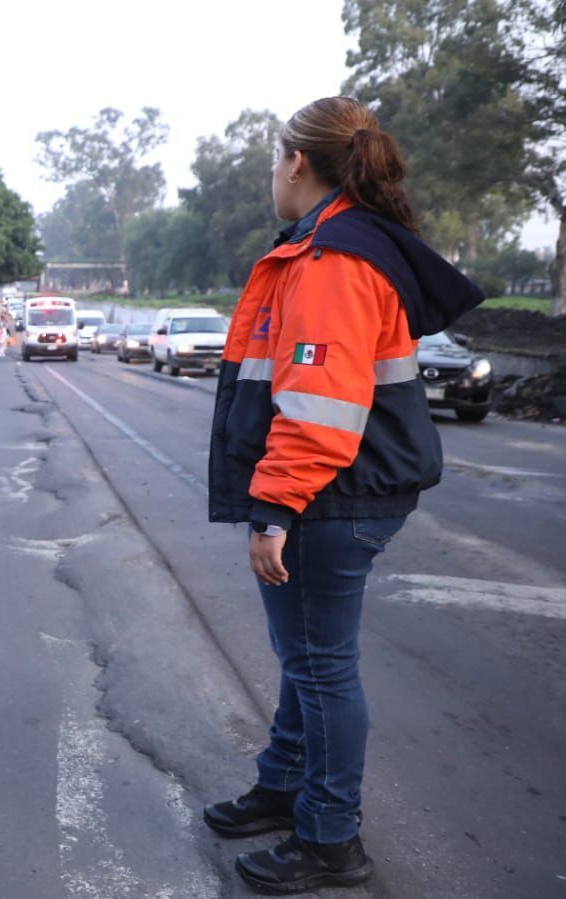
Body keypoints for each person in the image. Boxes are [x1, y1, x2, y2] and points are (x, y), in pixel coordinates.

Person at [205, 97, 484, 894]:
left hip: (331, 493)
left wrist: (276, 509)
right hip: (347, 488)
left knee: (321, 665)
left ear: (298, 163)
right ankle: (282, 785)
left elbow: (320, 409)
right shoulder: (336, 246)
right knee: (307, 657)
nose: (272, 176)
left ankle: (330, 836)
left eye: (273, 161)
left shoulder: (333, 259)